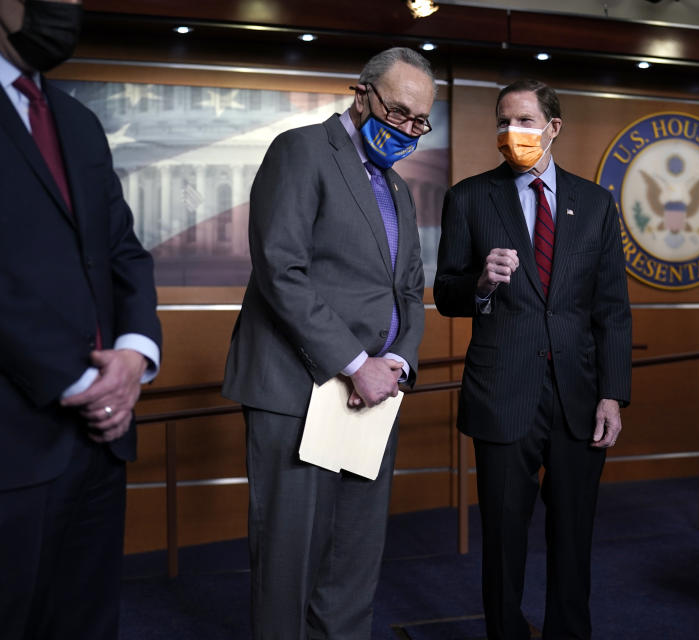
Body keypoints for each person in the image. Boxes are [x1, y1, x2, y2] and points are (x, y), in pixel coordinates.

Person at [0, 1, 162, 639]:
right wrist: (80, 379)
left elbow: (122, 250)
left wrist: (132, 356)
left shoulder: (75, 119)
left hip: (98, 444)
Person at [222, 47, 433, 639]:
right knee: (289, 562)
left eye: (420, 121)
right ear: (359, 93)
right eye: (398, 111)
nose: (407, 129)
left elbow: (411, 289)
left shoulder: (395, 187)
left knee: (353, 560)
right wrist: (355, 362)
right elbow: (280, 269)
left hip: (374, 394)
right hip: (298, 389)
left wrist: (395, 364)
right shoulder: (302, 151)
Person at [434, 79, 632, 640]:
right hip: (503, 392)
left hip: (579, 395)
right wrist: (479, 282)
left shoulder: (594, 202)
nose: (509, 133)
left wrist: (613, 394)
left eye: (522, 120)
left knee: (574, 534)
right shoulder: (469, 197)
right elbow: (445, 293)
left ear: (552, 128)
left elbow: (613, 309)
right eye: (501, 121)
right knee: (503, 536)